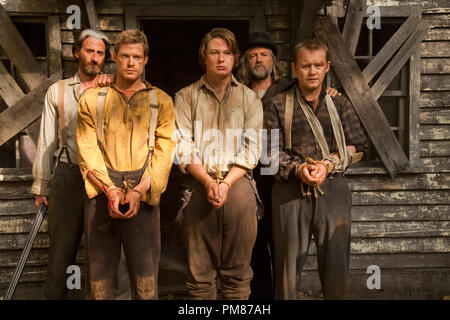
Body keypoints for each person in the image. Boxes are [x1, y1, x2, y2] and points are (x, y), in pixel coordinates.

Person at [237, 32, 341, 300]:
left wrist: (329, 91)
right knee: (255, 243)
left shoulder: (286, 87)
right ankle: (260, 299)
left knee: (283, 246)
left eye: (263, 55)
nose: (258, 60)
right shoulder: (238, 92)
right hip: (250, 176)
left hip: (282, 177)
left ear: (273, 60)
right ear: (245, 62)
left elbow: (315, 90)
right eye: (252, 56)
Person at [264, 39, 368, 299]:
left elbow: (358, 146)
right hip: (289, 191)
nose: (312, 71)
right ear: (294, 68)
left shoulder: (340, 105)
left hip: (333, 189)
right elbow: (267, 153)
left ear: (327, 67)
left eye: (318, 65)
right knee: (286, 269)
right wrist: (299, 170)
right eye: (306, 65)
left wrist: (328, 164)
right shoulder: (277, 104)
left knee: (336, 267)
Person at [76, 29, 175, 300]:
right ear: (115, 58)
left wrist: (138, 191)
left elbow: (164, 152)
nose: (131, 63)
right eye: (125, 56)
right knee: (100, 281)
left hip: (142, 190)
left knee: (145, 280)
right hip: (101, 190)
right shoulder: (92, 100)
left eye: (137, 57)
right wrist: (111, 190)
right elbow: (87, 150)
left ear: (145, 60)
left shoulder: (161, 101)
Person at [174, 28, 263, 300]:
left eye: (227, 53)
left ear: (235, 58)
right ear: (204, 57)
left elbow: (252, 147)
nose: (221, 58)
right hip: (199, 185)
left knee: (237, 273)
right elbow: (182, 145)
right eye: (214, 52)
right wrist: (208, 181)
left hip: (237, 186)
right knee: (199, 275)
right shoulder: (186, 96)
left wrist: (225, 183)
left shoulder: (249, 98)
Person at [31, 29, 113, 299]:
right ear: (77, 52)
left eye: (100, 53)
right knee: (60, 254)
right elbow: (46, 141)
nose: (95, 58)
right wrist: (42, 185)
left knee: (101, 255)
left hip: (104, 179)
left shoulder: (112, 88)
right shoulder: (59, 91)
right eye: (90, 51)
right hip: (68, 174)